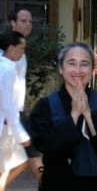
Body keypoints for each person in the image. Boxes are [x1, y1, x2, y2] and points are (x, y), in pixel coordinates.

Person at [29, 42, 97, 191]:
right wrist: (74, 116)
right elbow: (45, 145)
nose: (78, 70)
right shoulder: (46, 106)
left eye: (84, 64)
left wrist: (89, 116)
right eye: (71, 63)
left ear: (92, 69)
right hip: (57, 184)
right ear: (61, 69)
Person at [6, 9, 44, 182]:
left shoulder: (20, 48)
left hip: (16, 113)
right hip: (11, 114)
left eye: (30, 21)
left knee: (21, 160)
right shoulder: (8, 49)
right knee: (32, 155)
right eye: (23, 21)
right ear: (13, 23)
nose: (28, 24)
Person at [0, 31, 31, 191]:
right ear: (11, 48)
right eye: (21, 48)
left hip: (6, 127)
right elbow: (8, 105)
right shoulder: (8, 69)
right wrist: (21, 134)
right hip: (5, 129)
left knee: (7, 168)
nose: (23, 52)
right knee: (16, 164)